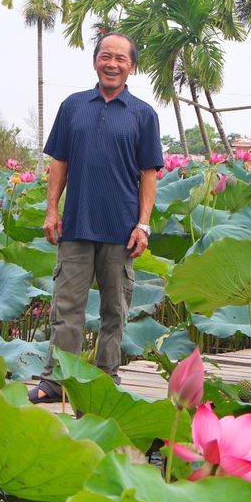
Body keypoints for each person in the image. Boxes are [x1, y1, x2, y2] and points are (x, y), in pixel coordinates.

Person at [29, 31, 163, 404]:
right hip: (76, 225)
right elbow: (59, 162)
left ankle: (106, 380)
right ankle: (56, 382)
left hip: (121, 230)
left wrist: (143, 224)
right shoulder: (73, 106)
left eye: (121, 58)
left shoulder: (143, 115)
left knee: (114, 310)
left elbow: (149, 174)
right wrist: (52, 210)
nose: (112, 64)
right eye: (106, 56)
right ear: (95, 62)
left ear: (131, 67)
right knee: (65, 307)